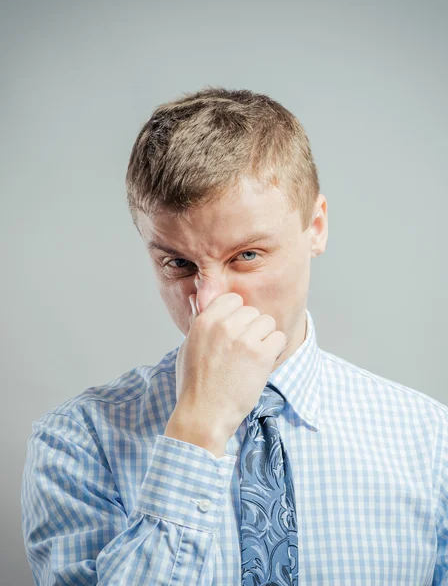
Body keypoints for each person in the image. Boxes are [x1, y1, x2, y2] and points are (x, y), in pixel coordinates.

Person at [21, 87, 447, 585]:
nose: (212, 302)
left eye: (246, 255)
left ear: (316, 226)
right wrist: (197, 431)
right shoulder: (76, 442)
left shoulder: (430, 443)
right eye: (178, 264)